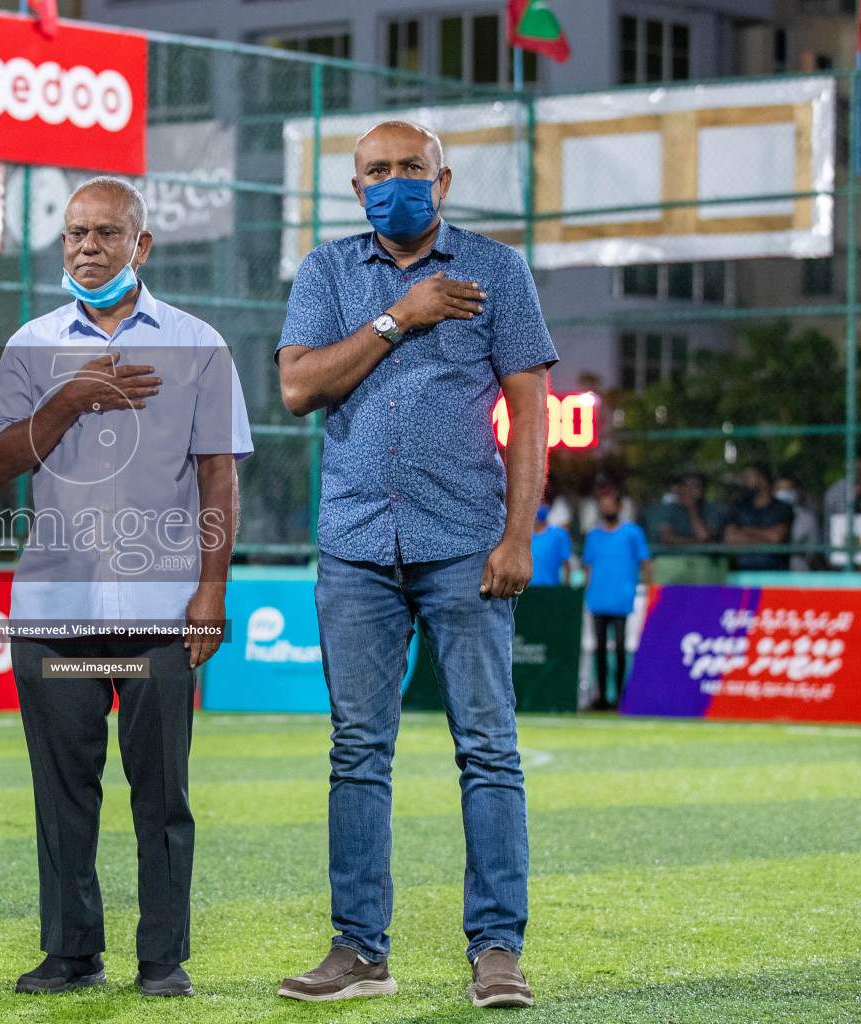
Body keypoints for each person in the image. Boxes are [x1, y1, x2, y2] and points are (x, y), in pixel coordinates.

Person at [274, 120, 555, 1009]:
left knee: (488, 748)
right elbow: (298, 387)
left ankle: (497, 948)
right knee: (358, 749)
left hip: (466, 540)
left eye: (410, 168)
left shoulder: (497, 270)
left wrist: (520, 535)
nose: (394, 181)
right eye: (376, 171)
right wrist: (403, 315)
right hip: (357, 543)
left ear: (443, 179)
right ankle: (361, 951)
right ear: (357, 189)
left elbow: (530, 406)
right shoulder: (326, 272)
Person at [0, 177, 253, 999]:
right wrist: (69, 397)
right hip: (54, 615)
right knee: (63, 794)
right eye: (73, 234)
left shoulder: (198, 343)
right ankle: (70, 954)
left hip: (160, 618)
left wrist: (210, 593)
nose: (87, 247)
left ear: (143, 245)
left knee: (163, 795)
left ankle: (163, 960)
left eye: (104, 233)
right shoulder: (32, 343)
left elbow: (218, 478)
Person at [582, 487, 652, 710]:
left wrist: (648, 589)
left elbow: (645, 562)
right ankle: (601, 697)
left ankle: (622, 697)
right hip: (597, 598)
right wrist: (586, 589)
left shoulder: (632, 533)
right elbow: (587, 567)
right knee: (599, 649)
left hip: (622, 598)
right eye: (603, 505)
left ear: (620, 507)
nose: (607, 509)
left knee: (621, 649)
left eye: (611, 504)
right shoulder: (593, 536)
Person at [723, 465, 794, 572]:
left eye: (749, 477)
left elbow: (776, 538)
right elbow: (730, 538)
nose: (745, 481)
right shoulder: (738, 507)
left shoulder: (782, 508)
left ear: (763, 480)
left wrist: (749, 531)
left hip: (775, 573)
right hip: (742, 572)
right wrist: (764, 537)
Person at [652, 471, 722, 547]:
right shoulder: (668, 509)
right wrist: (695, 543)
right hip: (673, 556)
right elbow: (665, 538)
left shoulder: (710, 509)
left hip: (703, 557)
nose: (689, 491)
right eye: (686, 486)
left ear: (702, 490)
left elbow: (704, 537)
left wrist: (692, 509)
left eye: (694, 487)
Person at [774, 477, 817, 572]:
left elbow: (812, 550)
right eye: (781, 490)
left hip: (798, 572)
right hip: (772, 572)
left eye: (788, 490)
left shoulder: (807, 518)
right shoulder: (767, 516)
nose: (785, 493)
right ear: (774, 492)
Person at [529, 504, 573, 587]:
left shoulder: (559, 534)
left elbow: (566, 564)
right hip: (526, 590)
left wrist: (564, 590)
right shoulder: (522, 536)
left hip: (551, 589)